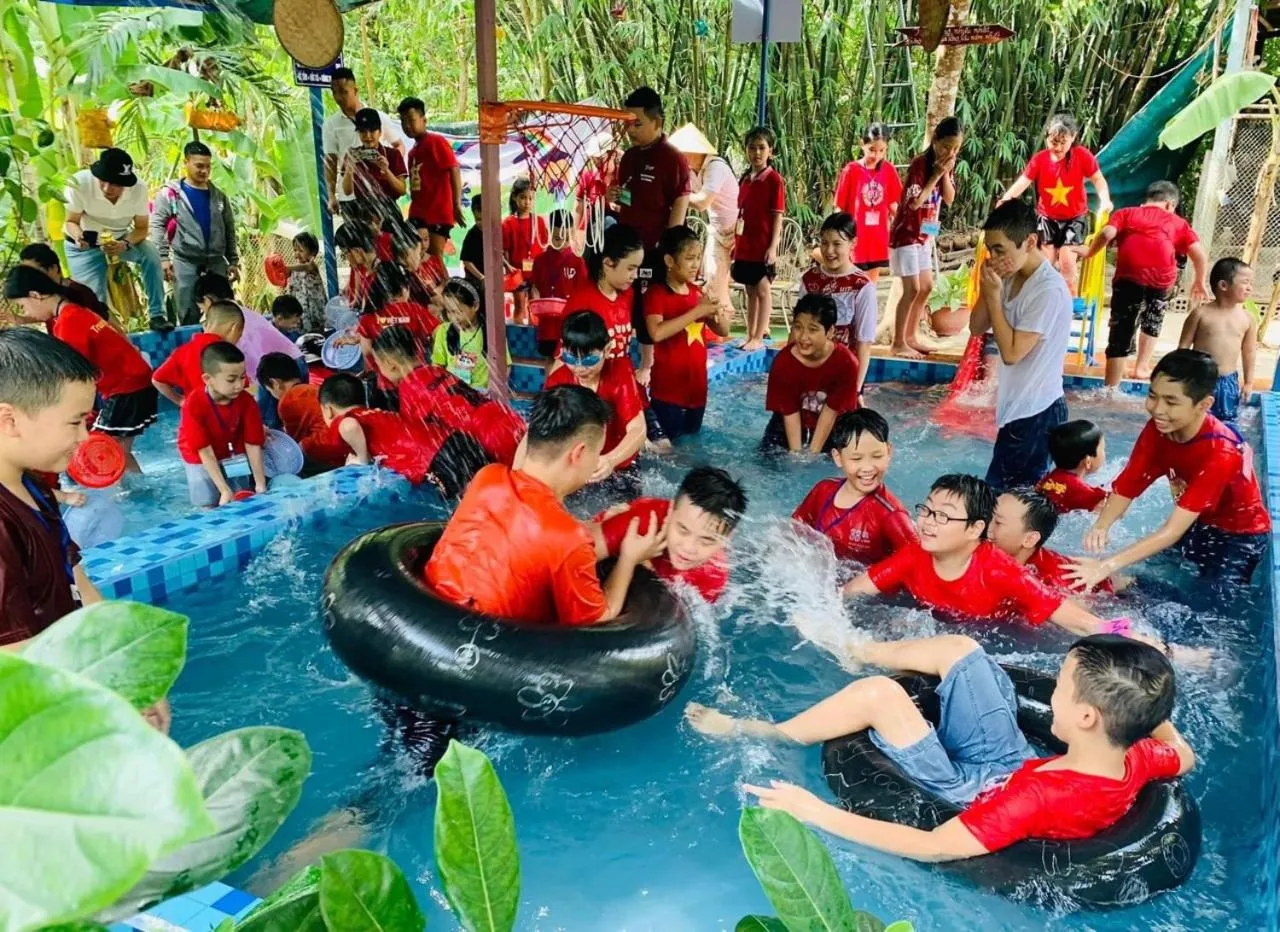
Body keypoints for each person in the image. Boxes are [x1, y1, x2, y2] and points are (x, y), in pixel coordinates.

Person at [687, 634, 1194, 864]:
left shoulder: (1038, 800)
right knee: (961, 651)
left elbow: (935, 847)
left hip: (972, 793)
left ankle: (761, 730)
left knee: (879, 696)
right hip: (1017, 764)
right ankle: (854, 648)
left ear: (1087, 717)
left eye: (1059, 687)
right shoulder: (1138, 757)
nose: (1051, 694)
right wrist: (1148, 705)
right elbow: (1185, 757)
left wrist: (815, 811)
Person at [425, 384, 662, 625]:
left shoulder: (487, 477)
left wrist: (595, 524)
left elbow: (530, 529)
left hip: (430, 615)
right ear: (578, 453)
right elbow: (597, 620)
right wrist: (629, 559)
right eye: (597, 452)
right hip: (491, 647)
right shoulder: (568, 539)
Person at [1070, 349, 1270, 587]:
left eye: (1171, 402)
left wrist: (1106, 565)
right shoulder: (1158, 430)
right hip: (1200, 520)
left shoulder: (1221, 451)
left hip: (1241, 535)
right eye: (1153, 396)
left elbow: (1173, 530)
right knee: (1159, 569)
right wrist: (1101, 526)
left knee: (1209, 601)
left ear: (1204, 404)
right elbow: (1128, 483)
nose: (1157, 409)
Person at [841, 474, 1127, 638]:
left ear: (974, 529)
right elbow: (851, 591)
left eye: (942, 516)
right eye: (926, 511)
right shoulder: (915, 554)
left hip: (1001, 632)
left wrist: (1138, 641)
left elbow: (1080, 620)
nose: (927, 522)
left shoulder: (1000, 569)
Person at [0, 328, 104, 644]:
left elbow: (80, 584)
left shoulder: (36, 490)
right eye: (75, 422)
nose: (85, 437)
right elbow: (13, 657)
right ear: (10, 421)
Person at [5, 265, 156, 473]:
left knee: (102, 448)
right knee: (115, 449)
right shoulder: (73, 310)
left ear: (35, 295)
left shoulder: (68, 322)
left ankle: (128, 497)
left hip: (128, 389)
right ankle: (135, 493)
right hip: (135, 384)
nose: (26, 312)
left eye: (22, 306)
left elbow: (73, 377)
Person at [970, 199, 1072, 491]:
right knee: (1004, 501)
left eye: (1000, 249)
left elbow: (1013, 353)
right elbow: (976, 327)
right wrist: (986, 288)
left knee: (1008, 504)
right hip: (1018, 409)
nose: (993, 257)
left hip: (1038, 412)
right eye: (990, 249)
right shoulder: (1009, 276)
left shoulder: (1048, 290)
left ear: (1029, 242)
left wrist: (993, 298)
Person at [1081, 181, 1210, 387]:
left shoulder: (1127, 213)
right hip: (1161, 282)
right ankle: (1141, 367)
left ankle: (1111, 387)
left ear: (1145, 202)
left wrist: (1089, 253)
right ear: (1170, 204)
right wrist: (1199, 281)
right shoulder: (1178, 222)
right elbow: (1199, 254)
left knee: (1121, 329)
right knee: (1153, 319)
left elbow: (1106, 234)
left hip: (1128, 279)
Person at [615, 87, 694, 380]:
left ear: (657, 122)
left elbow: (680, 202)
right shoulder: (628, 158)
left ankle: (650, 366)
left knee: (653, 305)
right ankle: (629, 359)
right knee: (628, 302)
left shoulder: (673, 159)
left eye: (637, 123)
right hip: (628, 246)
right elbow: (628, 200)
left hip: (656, 248)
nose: (630, 130)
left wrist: (668, 249)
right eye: (627, 124)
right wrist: (617, 196)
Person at [589, 466, 747, 604]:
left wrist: (646, 568)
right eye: (682, 530)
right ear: (670, 512)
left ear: (727, 538)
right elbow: (574, 556)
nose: (688, 548)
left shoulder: (713, 576)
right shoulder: (643, 521)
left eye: (706, 541)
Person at [373, 325, 525, 466]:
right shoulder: (437, 370)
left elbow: (417, 440)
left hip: (487, 439)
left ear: (390, 364)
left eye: (378, 365)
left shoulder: (409, 389)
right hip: (508, 418)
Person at [318, 373, 488, 496]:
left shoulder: (345, 419)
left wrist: (363, 461)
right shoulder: (376, 414)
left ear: (328, 409)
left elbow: (349, 426)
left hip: (435, 460)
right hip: (459, 441)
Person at [996, 114, 1112, 293]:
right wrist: (1006, 199)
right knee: (1045, 259)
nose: (1057, 147)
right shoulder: (1040, 159)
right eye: (1053, 141)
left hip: (1075, 218)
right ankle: (1046, 297)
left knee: (1066, 258)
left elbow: (1098, 180)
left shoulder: (1082, 155)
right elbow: (1023, 182)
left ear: (1073, 138)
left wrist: (1105, 200)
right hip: (1047, 217)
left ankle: (1069, 296)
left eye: (1062, 142)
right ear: (1047, 137)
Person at [792, 409, 915, 565]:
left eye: (877, 456)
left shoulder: (891, 515)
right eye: (856, 459)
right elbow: (796, 529)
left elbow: (917, 561)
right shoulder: (823, 490)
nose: (867, 468)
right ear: (838, 458)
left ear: (889, 452)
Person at [62, 147, 167, 330]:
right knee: (92, 300)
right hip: (84, 244)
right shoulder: (79, 183)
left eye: (115, 184)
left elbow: (142, 229)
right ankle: (102, 333)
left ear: (125, 184)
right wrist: (79, 236)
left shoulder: (138, 189)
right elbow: (71, 222)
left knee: (150, 255)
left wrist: (124, 244)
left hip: (120, 238)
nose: (107, 189)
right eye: (103, 181)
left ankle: (158, 315)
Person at [644, 225, 732, 440]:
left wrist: (714, 312)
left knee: (690, 446)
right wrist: (697, 311)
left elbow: (724, 330)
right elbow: (656, 333)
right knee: (671, 451)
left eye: (698, 257)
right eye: (690, 258)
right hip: (668, 394)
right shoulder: (657, 294)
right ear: (669, 261)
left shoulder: (697, 292)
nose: (696, 264)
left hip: (697, 392)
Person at [542, 311, 646, 489]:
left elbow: (639, 429)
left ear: (607, 350)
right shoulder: (558, 381)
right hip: (577, 466)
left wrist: (611, 460)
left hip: (619, 464)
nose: (579, 367)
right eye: (570, 358)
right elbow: (541, 432)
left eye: (589, 359)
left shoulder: (620, 376)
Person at [888, 117, 962, 358]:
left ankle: (911, 335)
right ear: (935, 141)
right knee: (911, 289)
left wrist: (946, 174)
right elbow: (915, 202)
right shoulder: (920, 164)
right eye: (946, 146)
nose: (950, 151)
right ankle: (898, 341)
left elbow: (950, 199)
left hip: (925, 235)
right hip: (907, 233)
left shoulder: (948, 163)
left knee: (927, 287)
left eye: (955, 148)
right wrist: (934, 176)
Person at [150, 141, 240, 325]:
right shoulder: (170, 195)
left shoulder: (219, 196)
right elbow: (158, 225)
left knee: (223, 310)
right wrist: (163, 258)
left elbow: (229, 229)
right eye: (199, 166)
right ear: (186, 162)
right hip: (186, 262)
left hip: (216, 261)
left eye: (208, 166)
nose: (204, 171)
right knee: (188, 313)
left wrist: (233, 261)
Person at [762, 293, 860, 454]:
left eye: (813, 329)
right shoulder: (783, 363)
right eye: (798, 327)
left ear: (830, 332)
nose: (803, 337)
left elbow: (831, 411)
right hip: (787, 423)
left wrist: (813, 453)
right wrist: (796, 455)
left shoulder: (846, 363)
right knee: (769, 458)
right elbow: (789, 412)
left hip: (832, 423)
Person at [178, 341, 267, 507]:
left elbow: (253, 444)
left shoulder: (246, 401)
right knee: (208, 503)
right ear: (208, 379)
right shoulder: (193, 405)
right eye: (231, 380)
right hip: (199, 457)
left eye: (242, 377)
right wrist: (224, 489)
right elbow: (204, 451)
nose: (239, 385)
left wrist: (260, 484)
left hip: (233, 451)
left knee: (243, 496)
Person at [798, 212, 877, 393]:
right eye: (824, 243)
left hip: (845, 376)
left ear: (853, 243)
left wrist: (855, 390)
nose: (829, 251)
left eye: (837, 244)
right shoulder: (810, 280)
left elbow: (864, 343)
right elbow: (797, 331)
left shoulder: (862, 286)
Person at [989, 489, 1113, 596]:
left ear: (1029, 539)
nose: (985, 526)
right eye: (988, 516)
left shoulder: (1055, 582)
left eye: (998, 522)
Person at [322, 67, 408, 220]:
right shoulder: (331, 124)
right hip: (350, 198)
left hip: (383, 198)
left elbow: (399, 145)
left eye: (343, 91)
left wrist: (387, 168)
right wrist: (331, 195)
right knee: (357, 242)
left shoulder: (379, 117)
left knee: (389, 240)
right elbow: (330, 161)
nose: (339, 97)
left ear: (355, 90)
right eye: (334, 92)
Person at [1177, 257, 1256, 423]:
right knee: (1193, 421)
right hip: (1199, 378)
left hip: (1227, 381)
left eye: (1251, 283)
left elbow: (1249, 352)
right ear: (1223, 285)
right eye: (1245, 282)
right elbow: (1183, 347)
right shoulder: (1201, 314)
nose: (1250, 288)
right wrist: (1180, 375)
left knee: (1226, 423)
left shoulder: (1247, 318)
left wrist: (1248, 382)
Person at [669, 123, 738, 307]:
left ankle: (761, 330)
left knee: (753, 283)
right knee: (713, 279)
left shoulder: (716, 167)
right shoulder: (691, 171)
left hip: (739, 231)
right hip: (717, 232)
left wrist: (676, 196)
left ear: (693, 151)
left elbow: (701, 202)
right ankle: (721, 328)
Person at [734, 127, 786, 352]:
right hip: (745, 243)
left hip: (762, 245)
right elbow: (740, 213)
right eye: (752, 148)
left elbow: (777, 216)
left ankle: (759, 334)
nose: (756, 152)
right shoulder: (745, 179)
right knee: (750, 290)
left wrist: (773, 246)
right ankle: (750, 333)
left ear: (770, 151)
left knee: (763, 289)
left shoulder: (774, 180)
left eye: (761, 148)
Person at [563, 222, 645, 366]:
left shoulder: (628, 294)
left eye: (637, 268)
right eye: (631, 268)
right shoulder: (581, 301)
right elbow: (567, 355)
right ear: (607, 263)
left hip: (621, 380)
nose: (635, 275)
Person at [833, 123, 902, 283]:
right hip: (855, 237)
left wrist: (904, 225)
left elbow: (892, 204)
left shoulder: (889, 170)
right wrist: (838, 234)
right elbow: (840, 207)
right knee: (850, 282)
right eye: (872, 149)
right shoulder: (851, 170)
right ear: (862, 144)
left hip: (877, 237)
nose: (876, 155)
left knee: (870, 285)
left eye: (881, 151)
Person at [256, 352, 346, 473]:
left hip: (327, 450)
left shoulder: (287, 400)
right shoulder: (313, 389)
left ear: (275, 383)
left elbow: (293, 444)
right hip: (345, 444)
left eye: (269, 390)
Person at [398, 96, 464, 258]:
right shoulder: (413, 152)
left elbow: (453, 169)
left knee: (434, 256)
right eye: (403, 122)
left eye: (411, 120)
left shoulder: (436, 141)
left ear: (424, 120)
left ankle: (444, 284)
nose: (407, 125)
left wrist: (456, 204)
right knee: (416, 256)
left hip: (438, 213)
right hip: (418, 214)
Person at [152, 300, 244, 406]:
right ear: (234, 328)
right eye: (240, 335)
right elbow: (241, 389)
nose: (238, 340)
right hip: (224, 415)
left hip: (194, 414)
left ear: (205, 325)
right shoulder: (228, 354)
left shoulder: (182, 352)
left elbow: (156, 379)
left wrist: (180, 400)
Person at [431, 278, 509, 391]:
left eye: (458, 312)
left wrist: (492, 390)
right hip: (453, 392)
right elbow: (437, 366)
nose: (454, 318)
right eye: (449, 311)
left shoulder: (491, 332)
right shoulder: (443, 331)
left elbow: (505, 366)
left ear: (475, 306)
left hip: (482, 393)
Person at [18, 242, 114, 326]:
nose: (30, 277)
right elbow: (48, 313)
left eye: (35, 272)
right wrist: (23, 320)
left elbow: (102, 323)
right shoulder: (43, 294)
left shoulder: (80, 293)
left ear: (53, 268)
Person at [340, 108, 408, 221]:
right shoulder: (352, 154)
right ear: (358, 133)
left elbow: (402, 190)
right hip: (363, 211)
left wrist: (387, 171)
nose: (368, 136)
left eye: (372, 131)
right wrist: (350, 168)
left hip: (388, 211)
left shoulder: (392, 154)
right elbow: (347, 192)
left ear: (380, 132)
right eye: (363, 131)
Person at [501, 178, 548, 323]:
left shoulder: (538, 221)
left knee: (536, 306)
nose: (527, 202)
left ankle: (536, 336)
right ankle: (519, 339)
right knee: (520, 306)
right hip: (518, 274)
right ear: (515, 197)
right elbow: (504, 251)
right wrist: (509, 269)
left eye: (530, 198)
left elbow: (544, 246)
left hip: (536, 273)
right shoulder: (508, 223)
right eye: (523, 198)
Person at [1037, 419, 1107, 514]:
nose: (1104, 453)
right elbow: (1110, 506)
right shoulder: (1080, 489)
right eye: (1103, 449)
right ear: (1088, 461)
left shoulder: (1050, 477)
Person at [531, 208, 589, 302]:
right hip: (544, 312)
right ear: (547, 232)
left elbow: (583, 292)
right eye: (557, 239)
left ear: (572, 234)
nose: (562, 243)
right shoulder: (539, 261)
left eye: (566, 239)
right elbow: (535, 288)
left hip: (569, 314)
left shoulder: (578, 262)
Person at [285, 232, 326, 333]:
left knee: (316, 335)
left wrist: (287, 267)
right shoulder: (295, 269)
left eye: (301, 250)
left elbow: (305, 267)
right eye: (295, 250)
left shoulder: (312, 266)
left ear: (312, 253)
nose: (297, 254)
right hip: (300, 309)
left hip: (314, 310)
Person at [335, 223, 377, 308]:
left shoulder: (377, 278)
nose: (346, 258)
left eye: (345, 253)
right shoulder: (369, 272)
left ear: (356, 251)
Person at [460, 194, 485, 287]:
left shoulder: (495, 233)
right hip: (475, 280)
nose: (480, 223)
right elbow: (466, 261)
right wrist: (481, 277)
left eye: (483, 219)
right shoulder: (471, 235)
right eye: (477, 219)